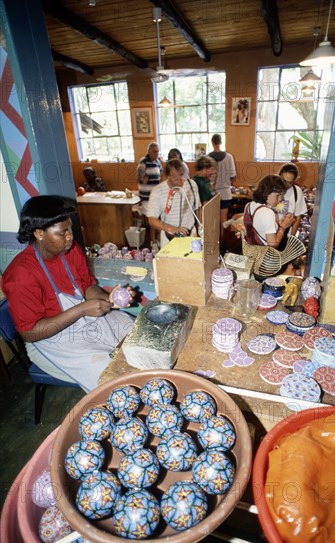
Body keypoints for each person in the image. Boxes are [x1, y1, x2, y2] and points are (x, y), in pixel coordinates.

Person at [1, 195, 134, 393]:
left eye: (70, 229)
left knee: (137, 335)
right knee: (114, 379)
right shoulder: (21, 275)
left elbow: (87, 285)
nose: (70, 237)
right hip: (49, 340)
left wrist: (108, 299)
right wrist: (81, 310)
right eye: (62, 233)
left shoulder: (70, 251)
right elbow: (30, 333)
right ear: (39, 233)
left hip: (83, 319)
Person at [146, 159, 201, 248]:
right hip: (169, 237)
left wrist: (200, 229)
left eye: (181, 176)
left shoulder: (192, 185)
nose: (180, 182)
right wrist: (172, 229)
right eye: (176, 179)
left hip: (191, 234)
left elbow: (198, 208)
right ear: (168, 176)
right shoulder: (157, 191)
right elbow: (152, 220)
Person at [243, 175, 295, 248]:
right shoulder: (268, 213)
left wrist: (278, 224)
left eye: (281, 195)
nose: (280, 199)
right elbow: (272, 245)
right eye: (278, 195)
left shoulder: (249, 205)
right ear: (267, 192)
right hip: (264, 256)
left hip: (251, 252)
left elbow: (260, 228)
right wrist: (283, 228)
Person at [208, 134, 237, 235]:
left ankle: (214, 243)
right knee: (223, 220)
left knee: (213, 220)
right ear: (221, 143)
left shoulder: (207, 158)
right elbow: (233, 176)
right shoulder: (229, 157)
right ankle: (223, 244)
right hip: (225, 193)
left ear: (212, 143)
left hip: (211, 193)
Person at [137, 142, 163, 248]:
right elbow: (140, 174)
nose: (156, 153)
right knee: (153, 218)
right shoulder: (143, 161)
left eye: (157, 151)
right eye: (154, 151)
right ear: (149, 151)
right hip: (147, 197)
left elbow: (161, 173)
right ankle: (153, 242)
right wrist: (142, 178)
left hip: (155, 196)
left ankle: (156, 239)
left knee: (157, 218)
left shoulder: (157, 162)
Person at [278, 163, 307, 238]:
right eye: (284, 181)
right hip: (269, 231)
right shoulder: (270, 189)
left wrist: (291, 238)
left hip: (285, 233)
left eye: (290, 182)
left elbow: (297, 218)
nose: (286, 185)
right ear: (279, 176)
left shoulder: (296, 191)